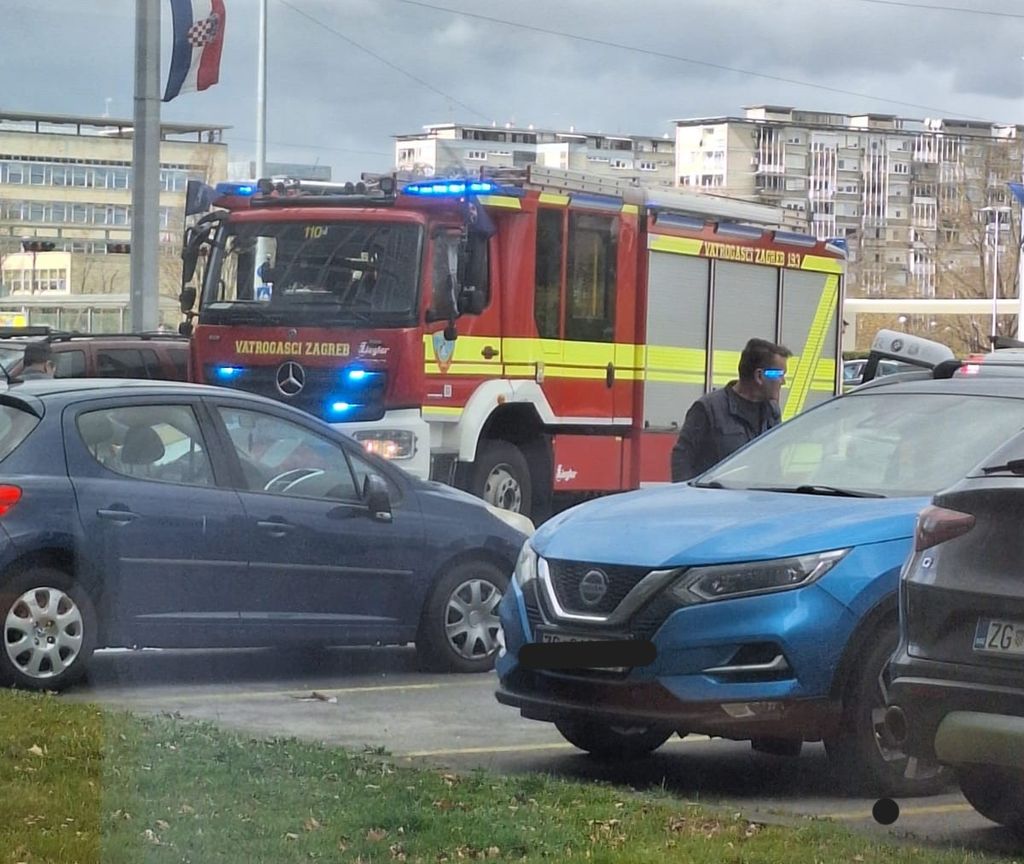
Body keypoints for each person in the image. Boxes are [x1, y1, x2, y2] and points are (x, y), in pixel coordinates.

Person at [670, 338, 792, 482]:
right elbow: (682, 458)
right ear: (759, 376)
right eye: (779, 375)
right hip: (717, 500)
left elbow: (774, 465)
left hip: (757, 500)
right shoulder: (708, 409)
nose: (783, 382)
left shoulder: (772, 411)